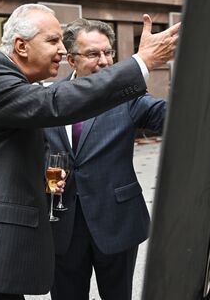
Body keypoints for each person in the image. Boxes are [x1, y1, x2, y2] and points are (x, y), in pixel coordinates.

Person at [0, 4, 179, 299]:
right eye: (53, 41)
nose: (61, 50)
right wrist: (141, 62)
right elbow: (55, 102)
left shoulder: (16, 85)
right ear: (21, 46)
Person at [44, 19, 166, 300]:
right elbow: (36, 150)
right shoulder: (49, 98)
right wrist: (43, 174)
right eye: (93, 54)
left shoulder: (127, 96)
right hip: (63, 225)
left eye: (109, 52)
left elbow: (167, 114)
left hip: (117, 221)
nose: (105, 61)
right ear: (71, 60)